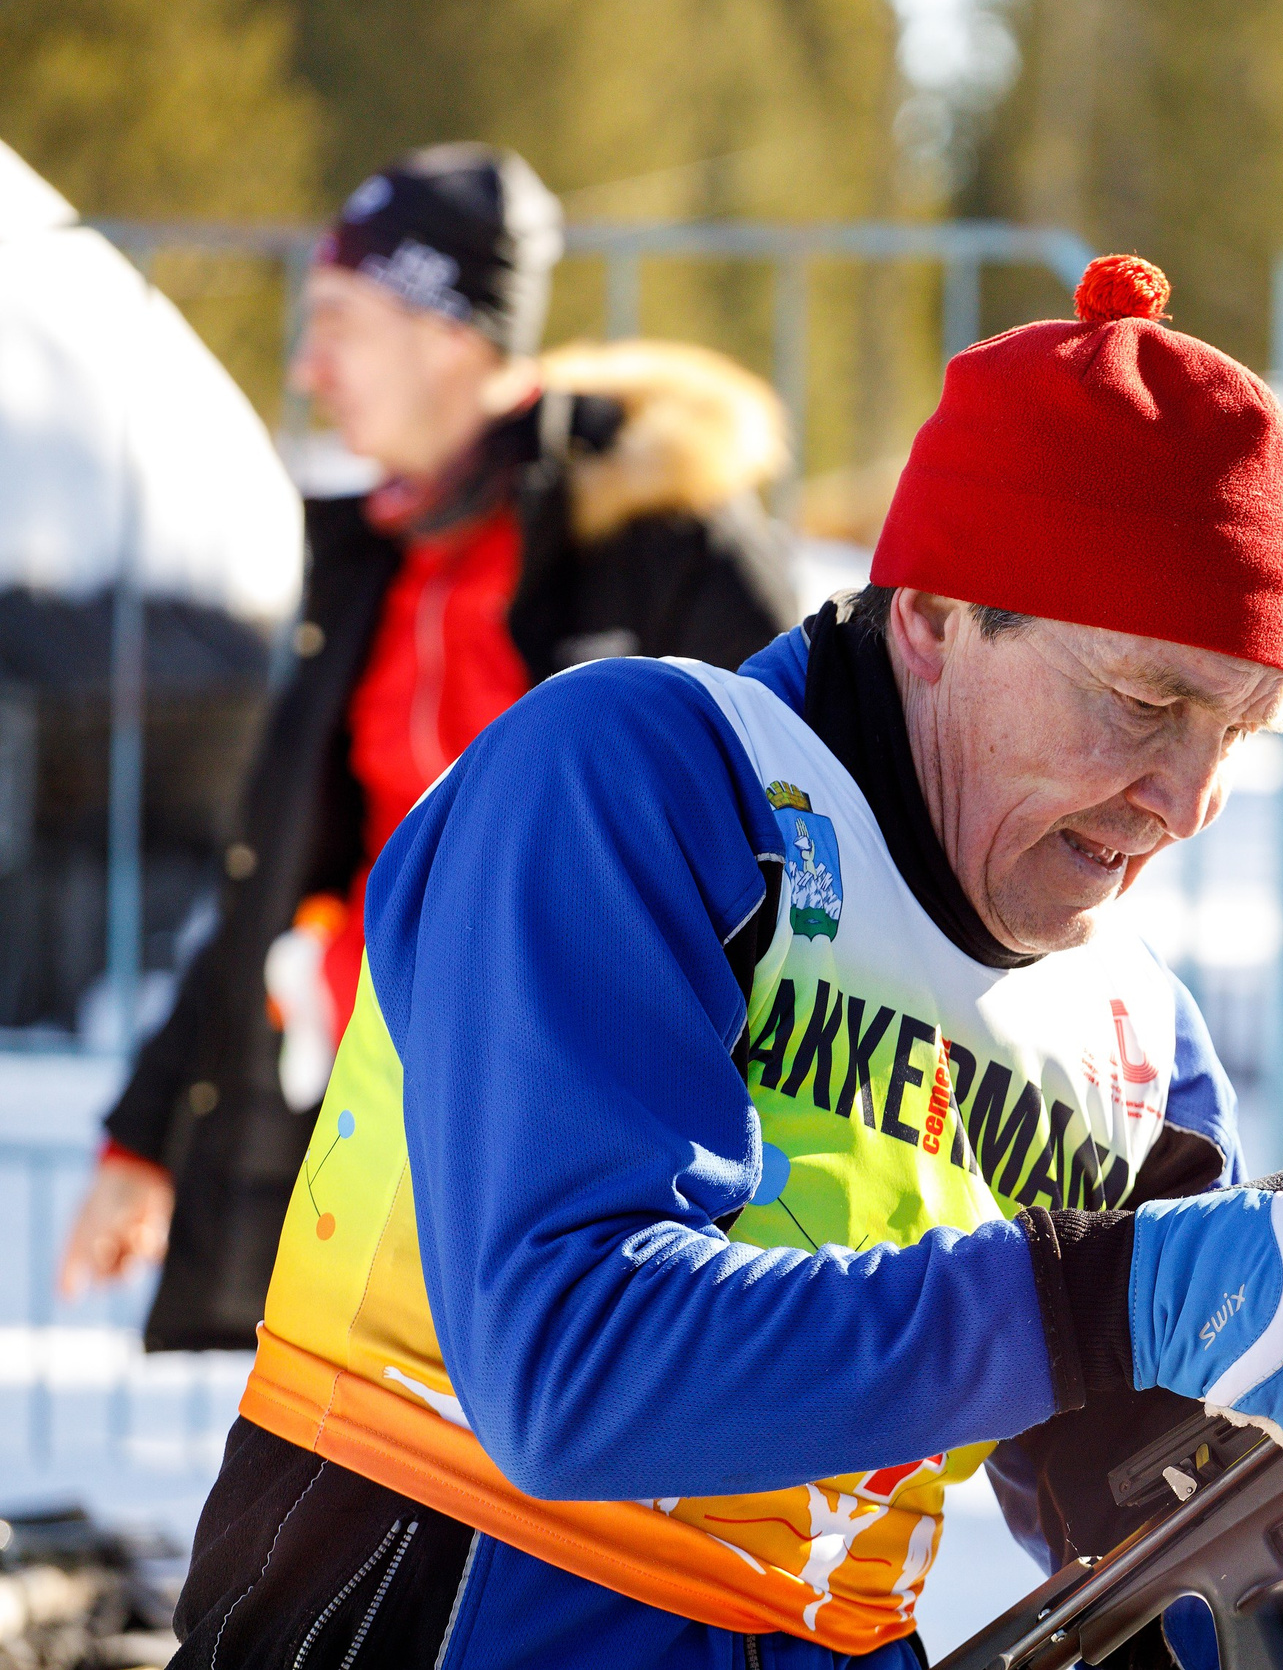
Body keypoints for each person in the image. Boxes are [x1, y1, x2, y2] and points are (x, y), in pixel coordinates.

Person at [162, 253, 1283, 1669]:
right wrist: (1128, 1292)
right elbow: (571, 1368)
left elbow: (1147, 1603)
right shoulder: (640, 773)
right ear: (942, 613)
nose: (1189, 799)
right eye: (1148, 701)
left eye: (1243, 733)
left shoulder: (1136, 1036)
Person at [59, 142, 798, 1351]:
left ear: (450, 332)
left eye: (342, 320)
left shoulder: (662, 539)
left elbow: (810, 822)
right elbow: (274, 875)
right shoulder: (366, 561)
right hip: (376, 1129)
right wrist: (148, 1134)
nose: (309, 366)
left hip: (597, 1157)